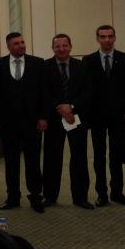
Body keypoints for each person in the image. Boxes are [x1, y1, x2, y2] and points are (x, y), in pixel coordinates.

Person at [0, 32, 46, 213]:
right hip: (8, 125)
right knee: (11, 162)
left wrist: (42, 117)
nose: (21, 46)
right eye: (16, 43)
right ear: (8, 46)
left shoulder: (38, 63)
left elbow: (43, 94)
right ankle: (13, 197)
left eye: (22, 42)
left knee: (33, 161)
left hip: (32, 123)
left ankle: (35, 197)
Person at [42, 34, 93, 210]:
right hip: (54, 120)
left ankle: (81, 197)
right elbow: (44, 93)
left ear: (71, 47)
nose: (61, 49)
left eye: (65, 46)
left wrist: (70, 107)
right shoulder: (45, 66)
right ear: (53, 48)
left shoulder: (82, 66)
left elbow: (88, 92)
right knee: (51, 159)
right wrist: (61, 108)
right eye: (58, 46)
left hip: (76, 118)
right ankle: (49, 196)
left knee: (79, 158)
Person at [82, 25, 125, 207]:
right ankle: (102, 194)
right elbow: (85, 89)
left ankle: (117, 192)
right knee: (99, 156)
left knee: (117, 155)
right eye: (102, 36)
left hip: (119, 116)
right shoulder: (88, 60)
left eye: (110, 36)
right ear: (97, 39)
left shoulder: (124, 59)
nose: (106, 40)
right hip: (97, 117)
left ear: (114, 38)